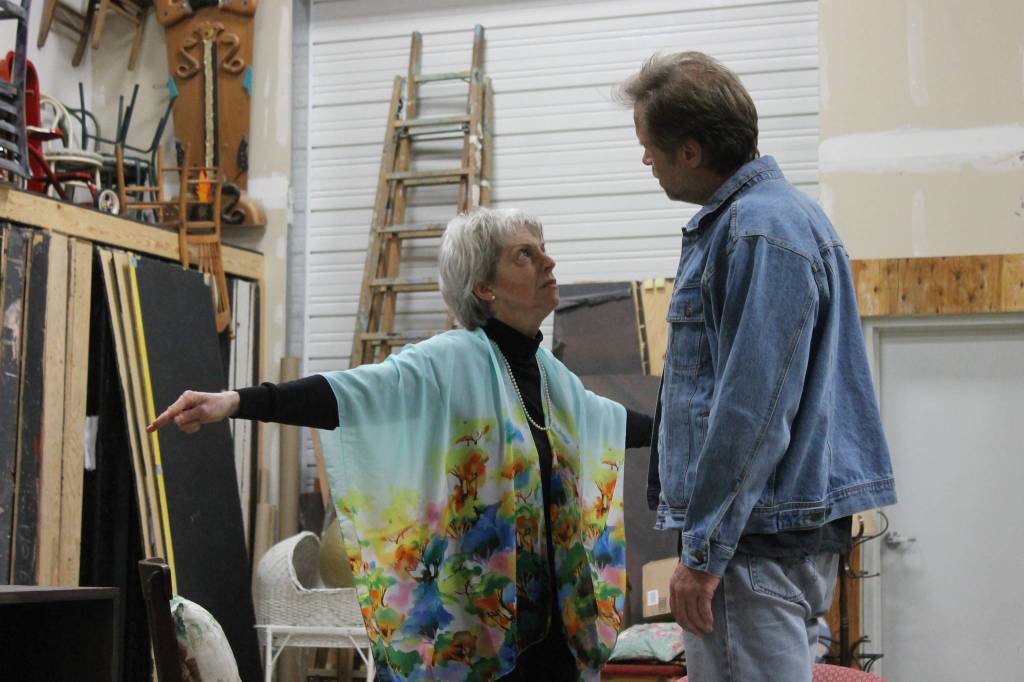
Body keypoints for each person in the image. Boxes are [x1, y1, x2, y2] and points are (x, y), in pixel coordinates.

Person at [149, 207, 653, 681]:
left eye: (542, 249)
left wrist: (689, 429)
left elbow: (606, 425)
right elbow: (350, 393)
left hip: (553, 638)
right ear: (484, 286)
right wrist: (238, 401)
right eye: (525, 254)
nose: (548, 261)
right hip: (476, 638)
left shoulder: (552, 379)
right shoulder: (449, 362)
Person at [617, 53, 897, 681]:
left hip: (751, 547)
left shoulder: (756, 233)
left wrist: (705, 554)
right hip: (770, 536)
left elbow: (751, 410)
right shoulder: (783, 221)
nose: (645, 161)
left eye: (649, 147)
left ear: (690, 151)